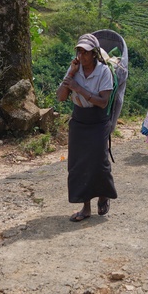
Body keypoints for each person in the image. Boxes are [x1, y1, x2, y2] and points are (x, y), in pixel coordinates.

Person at [56, 33, 118, 222]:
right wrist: (71, 75)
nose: (82, 56)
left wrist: (79, 88)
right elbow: (61, 97)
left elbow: (102, 102)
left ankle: (103, 194)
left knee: (99, 163)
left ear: (94, 54)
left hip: (98, 121)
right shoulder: (75, 70)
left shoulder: (103, 72)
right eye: (79, 52)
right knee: (79, 164)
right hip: (79, 121)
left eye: (86, 52)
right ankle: (85, 207)